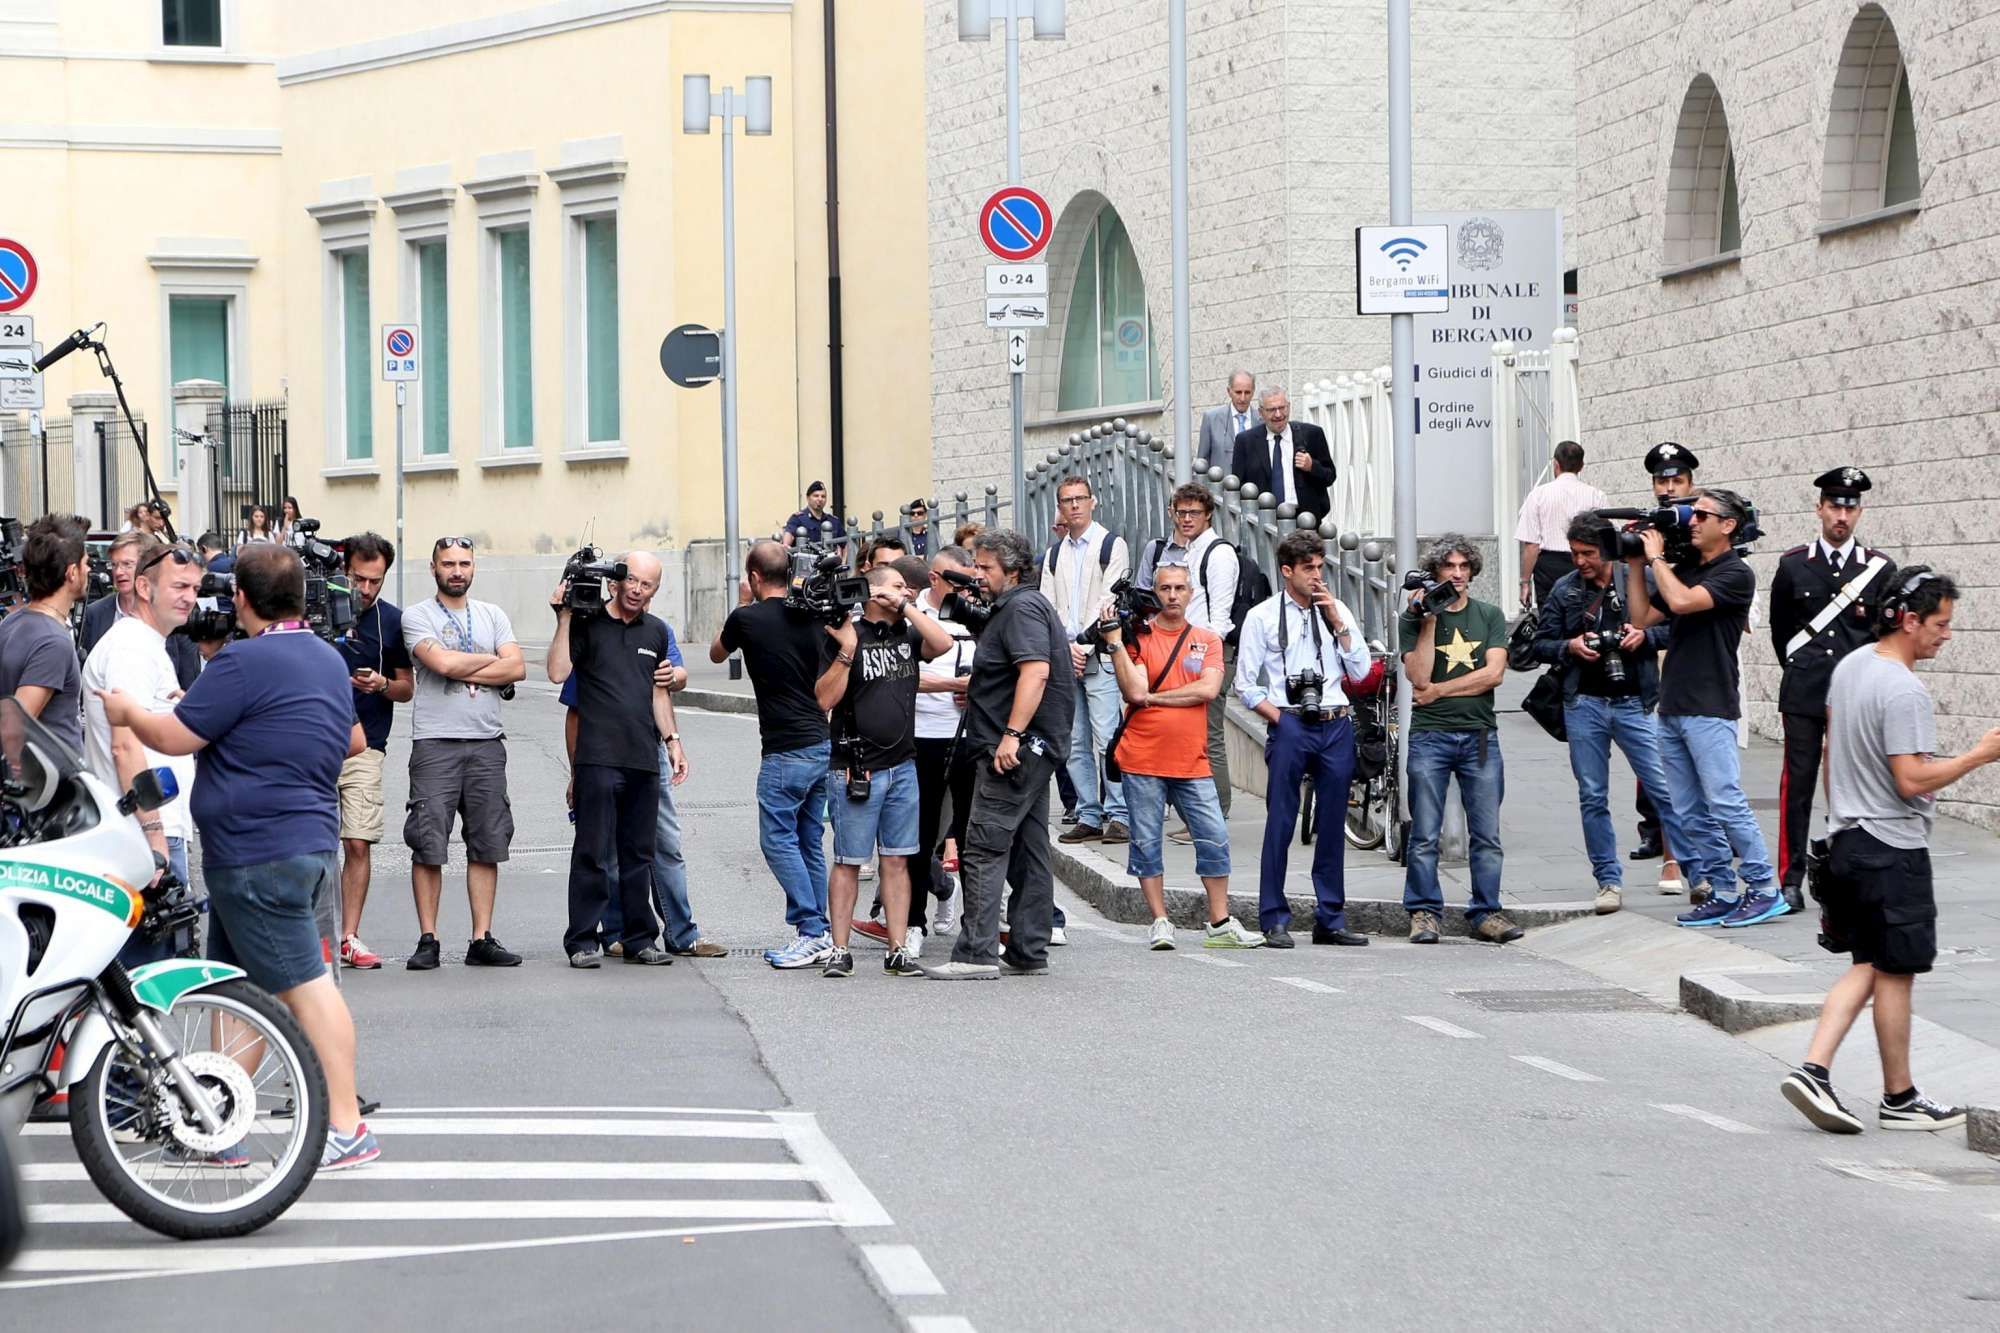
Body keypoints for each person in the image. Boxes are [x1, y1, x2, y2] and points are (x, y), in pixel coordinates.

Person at [98, 542, 380, 1171]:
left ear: (241, 600)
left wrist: (126, 712)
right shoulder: (327, 660)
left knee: (308, 992)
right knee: (237, 993)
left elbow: (172, 735)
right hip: (297, 845)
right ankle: (220, 1127)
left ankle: (347, 1126)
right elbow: (345, 740)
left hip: (260, 855)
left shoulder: (244, 663)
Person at [1780, 568, 2000, 1136]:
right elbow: (1911, 780)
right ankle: (1888, 1094)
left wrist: (1839, 820)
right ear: (1908, 620)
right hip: (1891, 846)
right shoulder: (1904, 689)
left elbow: (1832, 752)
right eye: (1940, 623)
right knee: (1895, 970)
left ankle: (1828, 1075)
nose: (1946, 635)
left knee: (1871, 966)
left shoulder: (1852, 666)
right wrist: (1979, 755)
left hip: (1849, 838)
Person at [1625, 487, 1787, 928]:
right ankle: (1722, 889)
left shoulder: (1736, 574)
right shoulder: (1688, 568)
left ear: (1728, 525)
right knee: (1686, 808)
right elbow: (1642, 619)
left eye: (1701, 515)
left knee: (1725, 801)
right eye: (1691, 515)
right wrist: (1638, 563)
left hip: (1711, 705)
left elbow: (1680, 603)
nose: (1691, 521)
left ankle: (1764, 888)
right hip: (1673, 702)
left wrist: (1657, 558)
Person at [920, 530, 1074, 979]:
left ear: (1014, 571)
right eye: (977, 565)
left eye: (986, 567)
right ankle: (1027, 949)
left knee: (984, 848)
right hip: (1032, 748)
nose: (978, 575)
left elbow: (1036, 672)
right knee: (1029, 850)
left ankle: (976, 954)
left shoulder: (1023, 607)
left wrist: (1011, 734)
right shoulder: (1019, 606)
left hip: (1014, 751)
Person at [1530, 515, 1687, 916]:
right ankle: (1608, 880)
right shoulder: (1565, 591)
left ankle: (1698, 870)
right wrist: (1571, 646)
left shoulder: (1638, 580)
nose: (1579, 561)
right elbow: (1540, 645)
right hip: (1584, 703)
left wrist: (1644, 636)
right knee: (1592, 796)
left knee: (1665, 790)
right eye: (1574, 554)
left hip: (1636, 701)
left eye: (1587, 553)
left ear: (1607, 550)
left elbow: (1678, 628)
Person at [1103, 561, 1264, 951]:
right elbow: (1133, 690)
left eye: (1179, 588)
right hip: (1142, 757)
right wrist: (1114, 642)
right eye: (1165, 589)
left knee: (1214, 838)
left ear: (1191, 593)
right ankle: (1159, 920)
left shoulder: (1207, 640)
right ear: (1154, 593)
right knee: (1145, 842)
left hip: (1192, 760)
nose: (1172, 595)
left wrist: (1156, 699)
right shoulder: (1136, 639)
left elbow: (1208, 690)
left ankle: (1220, 921)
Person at [1237, 531, 1374, 949]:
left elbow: (1362, 670)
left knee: (1333, 823)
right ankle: (1273, 917)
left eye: (1320, 567)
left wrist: (1339, 626)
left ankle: (1330, 919)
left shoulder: (1336, 609)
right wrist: (1281, 718)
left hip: (1334, 722)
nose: (1317, 576)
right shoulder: (1261, 617)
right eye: (1309, 568)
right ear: (1287, 571)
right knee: (1281, 820)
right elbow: (1245, 684)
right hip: (1290, 721)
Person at [818, 564, 956, 978]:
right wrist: (846, 651)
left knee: (896, 860)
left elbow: (943, 642)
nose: (906, 591)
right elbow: (824, 699)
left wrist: (909, 608)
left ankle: (898, 949)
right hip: (856, 767)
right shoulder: (846, 633)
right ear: (872, 592)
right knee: (848, 860)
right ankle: (838, 949)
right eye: (896, 586)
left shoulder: (907, 634)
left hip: (903, 767)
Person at [1769, 467, 1895, 915]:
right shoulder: (1793, 564)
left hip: (1854, 694)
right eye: (1834, 505)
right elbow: (1781, 630)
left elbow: (1884, 635)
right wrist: (1801, 669)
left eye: (1850, 507)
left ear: (1859, 511)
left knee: (1855, 785)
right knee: (1797, 784)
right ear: (1819, 508)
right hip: (1804, 688)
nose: (1841, 515)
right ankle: (1790, 879)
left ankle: (1853, 873)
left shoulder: (1878, 569)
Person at [549, 552, 684, 969]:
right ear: (616, 581)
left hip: (643, 758)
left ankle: (640, 939)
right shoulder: (588, 624)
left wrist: (673, 741)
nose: (637, 590)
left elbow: (659, 692)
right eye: (633, 581)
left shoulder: (657, 631)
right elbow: (557, 673)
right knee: (592, 851)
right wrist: (564, 616)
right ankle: (583, 941)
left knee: (638, 854)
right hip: (597, 758)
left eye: (648, 585)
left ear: (655, 591)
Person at [712, 540, 841, 969]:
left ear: (753, 578)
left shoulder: (745, 619)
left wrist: (744, 602)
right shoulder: (814, 615)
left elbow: (716, 652)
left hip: (784, 748)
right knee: (807, 839)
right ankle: (818, 929)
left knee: (777, 839)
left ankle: (810, 928)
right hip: (821, 741)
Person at [400, 537, 526, 969]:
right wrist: (491, 661)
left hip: (487, 741)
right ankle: (428, 938)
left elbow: (518, 667)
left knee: (487, 841)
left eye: (464, 563)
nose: (457, 571)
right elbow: (444, 667)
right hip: (435, 741)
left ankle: (481, 938)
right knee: (428, 841)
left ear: (474, 568)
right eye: (448, 563)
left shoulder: (493, 614)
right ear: (432, 568)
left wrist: (464, 661)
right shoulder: (417, 616)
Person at [80, 539, 202, 964]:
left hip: (153, 828)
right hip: (145, 832)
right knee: (146, 983)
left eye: (194, 587)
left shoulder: (146, 643)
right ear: (146, 588)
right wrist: (153, 837)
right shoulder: (132, 647)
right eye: (179, 586)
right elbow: (124, 743)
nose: (190, 597)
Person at [1401, 535, 1518, 945]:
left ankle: (1486, 911)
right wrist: (1428, 620)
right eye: (1448, 567)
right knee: (1425, 832)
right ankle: (1423, 912)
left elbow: (1494, 675)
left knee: (1486, 833)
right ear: (1434, 573)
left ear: (1472, 571)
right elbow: (1418, 677)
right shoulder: (1414, 619)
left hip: (1479, 736)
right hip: (1430, 736)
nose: (1456, 575)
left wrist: (1440, 691)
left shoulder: (1488, 615)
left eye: (1463, 567)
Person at [330, 534, 414, 970]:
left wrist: (380, 684)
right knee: (315, 844)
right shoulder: (316, 608)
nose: (365, 589)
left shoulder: (391, 621)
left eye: (375, 581)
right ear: (344, 570)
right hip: (316, 743)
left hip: (368, 746)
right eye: (358, 578)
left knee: (358, 842)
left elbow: (406, 688)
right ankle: (318, 936)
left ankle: (349, 936)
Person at [1135, 483, 1243, 822]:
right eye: (1180, 512)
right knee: (1185, 734)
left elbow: (1219, 620)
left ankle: (1217, 813)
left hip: (1208, 653)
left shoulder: (1217, 553)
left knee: (1208, 737)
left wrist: (1199, 658)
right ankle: (1197, 816)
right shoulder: (1187, 551)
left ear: (1208, 514)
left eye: (1193, 512)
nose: (1186, 518)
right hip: (1186, 653)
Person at [1044, 475, 1131, 846]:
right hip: (1068, 658)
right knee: (1073, 740)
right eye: (1067, 500)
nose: (1075, 505)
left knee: (1107, 737)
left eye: (1080, 498)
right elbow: (1048, 608)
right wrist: (1066, 651)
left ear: (1093, 502)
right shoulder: (1053, 553)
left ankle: (1120, 814)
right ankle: (1088, 812)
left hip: (1099, 654)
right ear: (1060, 507)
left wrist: (1084, 646)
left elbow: (1109, 603)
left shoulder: (1112, 544)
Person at [1631, 440, 1700, 883]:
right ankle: (1662, 838)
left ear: (1691, 483)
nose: (1668, 489)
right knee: (1661, 759)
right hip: (1658, 659)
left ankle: (1707, 846)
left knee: (1708, 764)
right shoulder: (1648, 528)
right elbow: (1642, 611)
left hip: (1704, 656)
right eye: (1662, 480)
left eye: (1677, 480)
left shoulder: (1704, 527)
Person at [906, 550, 975, 939]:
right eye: (957, 582)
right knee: (920, 835)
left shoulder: (975, 614)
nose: (966, 590)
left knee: (969, 836)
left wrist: (977, 688)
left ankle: (975, 926)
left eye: (971, 581)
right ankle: (913, 922)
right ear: (934, 578)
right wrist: (953, 685)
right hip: (922, 737)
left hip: (968, 737)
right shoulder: (913, 616)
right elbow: (904, 675)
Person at [0, 514, 92, 754]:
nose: (90, 569)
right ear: (72, 573)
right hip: (52, 786)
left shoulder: (12, 622)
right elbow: (13, 729)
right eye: (85, 563)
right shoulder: (53, 643)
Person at [82, 531, 202, 689]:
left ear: (147, 566)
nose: (118, 572)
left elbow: (189, 677)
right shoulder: (95, 612)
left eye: (127, 564)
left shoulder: (175, 612)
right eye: (114, 564)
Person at [1515, 439, 1608, 609]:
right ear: (1581, 466)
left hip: (1549, 567)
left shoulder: (1538, 495)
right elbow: (1606, 538)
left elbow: (1531, 545)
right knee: (1586, 614)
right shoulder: (1596, 495)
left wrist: (1525, 582)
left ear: (1555, 464)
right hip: (1587, 562)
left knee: (1552, 618)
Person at [1229, 384, 1335, 519]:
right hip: (1264, 522)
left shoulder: (1312, 434)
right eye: (1272, 410)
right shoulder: (1246, 441)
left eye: (1282, 408)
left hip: (1306, 520)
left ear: (1289, 406)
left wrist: (1312, 467)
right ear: (1261, 413)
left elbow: (1330, 476)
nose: (1278, 414)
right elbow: (1238, 487)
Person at [1200, 369, 1257, 465]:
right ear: (1229, 391)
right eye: (1238, 392)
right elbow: (1202, 463)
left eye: (1247, 393)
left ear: (1253, 392)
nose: (1243, 398)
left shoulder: (1262, 420)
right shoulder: (1211, 419)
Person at [781, 480, 848, 548]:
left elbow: (846, 543)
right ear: (808, 498)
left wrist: (844, 558)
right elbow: (789, 535)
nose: (820, 499)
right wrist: (786, 544)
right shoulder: (798, 519)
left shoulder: (833, 521)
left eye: (823, 496)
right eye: (816, 496)